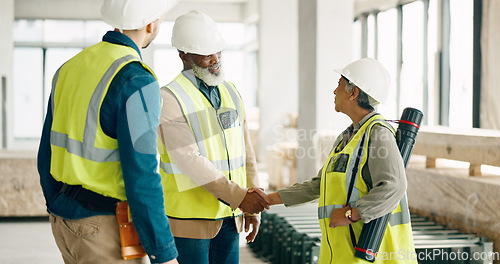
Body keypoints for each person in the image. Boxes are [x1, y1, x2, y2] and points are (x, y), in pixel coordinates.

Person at [37, 0, 179, 263]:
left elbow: (45, 151)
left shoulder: (69, 67)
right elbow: (142, 175)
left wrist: (56, 205)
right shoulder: (136, 79)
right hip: (104, 227)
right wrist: (164, 252)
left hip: (64, 220)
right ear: (151, 23)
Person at [252, 58, 417, 263]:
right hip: (341, 253)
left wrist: (352, 214)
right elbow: (320, 185)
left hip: (371, 253)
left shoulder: (378, 133)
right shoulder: (349, 137)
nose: (334, 91)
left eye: (339, 84)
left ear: (353, 92)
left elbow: (394, 185)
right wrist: (269, 199)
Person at [157, 10, 267, 264]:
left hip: (230, 216)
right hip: (189, 222)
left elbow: (246, 151)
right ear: (183, 54)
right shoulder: (169, 98)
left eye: (218, 51)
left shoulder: (231, 91)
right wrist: (240, 197)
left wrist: (254, 197)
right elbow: (188, 158)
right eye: (207, 54)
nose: (216, 59)